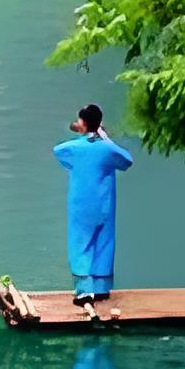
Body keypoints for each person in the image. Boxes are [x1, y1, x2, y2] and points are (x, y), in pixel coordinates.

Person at [54, 103, 136, 307]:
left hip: (81, 206)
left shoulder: (74, 147)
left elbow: (58, 151)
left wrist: (84, 137)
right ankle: (101, 289)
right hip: (104, 205)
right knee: (103, 242)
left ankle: (84, 291)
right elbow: (127, 160)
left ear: (82, 123)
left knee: (81, 244)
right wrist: (105, 138)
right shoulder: (107, 149)